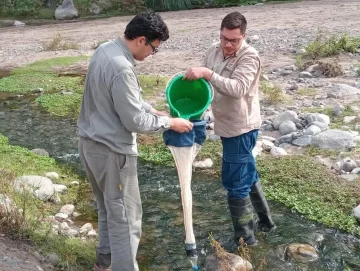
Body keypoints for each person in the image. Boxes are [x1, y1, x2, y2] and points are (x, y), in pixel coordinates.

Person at [77, 11, 193, 271]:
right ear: (141, 40)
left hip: (89, 145)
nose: (153, 54)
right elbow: (134, 122)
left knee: (108, 210)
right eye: (154, 49)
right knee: (127, 220)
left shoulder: (105, 50)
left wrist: (153, 110)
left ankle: (103, 264)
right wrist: (169, 122)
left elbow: (122, 98)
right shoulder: (122, 68)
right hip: (112, 152)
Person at [184, 11, 276, 247]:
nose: (227, 44)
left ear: (243, 37)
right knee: (249, 175)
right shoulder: (214, 50)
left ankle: (245, 239)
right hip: (224, 124)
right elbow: (204, 83)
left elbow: (237, 89)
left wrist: (208, 73)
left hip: (241, 128)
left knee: (236, 183)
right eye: (224, 38)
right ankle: (267, 223)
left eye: (233, 40)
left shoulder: (250, 57)